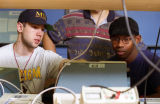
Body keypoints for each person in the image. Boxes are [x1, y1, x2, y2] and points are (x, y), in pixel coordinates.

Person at [0, 9, 64, 94]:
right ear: (20, 27)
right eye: (35, 27)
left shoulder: (45, 56)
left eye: (42, 29)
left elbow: (70, 66)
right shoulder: (2, 55)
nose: (40, 33)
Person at [109, 17, 160, 97]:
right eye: (115, 39)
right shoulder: (109, 64)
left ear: (137, 39)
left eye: (126, 40)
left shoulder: (152, 61)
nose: (119, 45)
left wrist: (134, 100)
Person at [43, 10, 120, 61]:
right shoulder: (72, 19)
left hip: (109, 76)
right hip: (75, 76)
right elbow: (48, 36)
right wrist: (56, 64)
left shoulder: (121, 22)